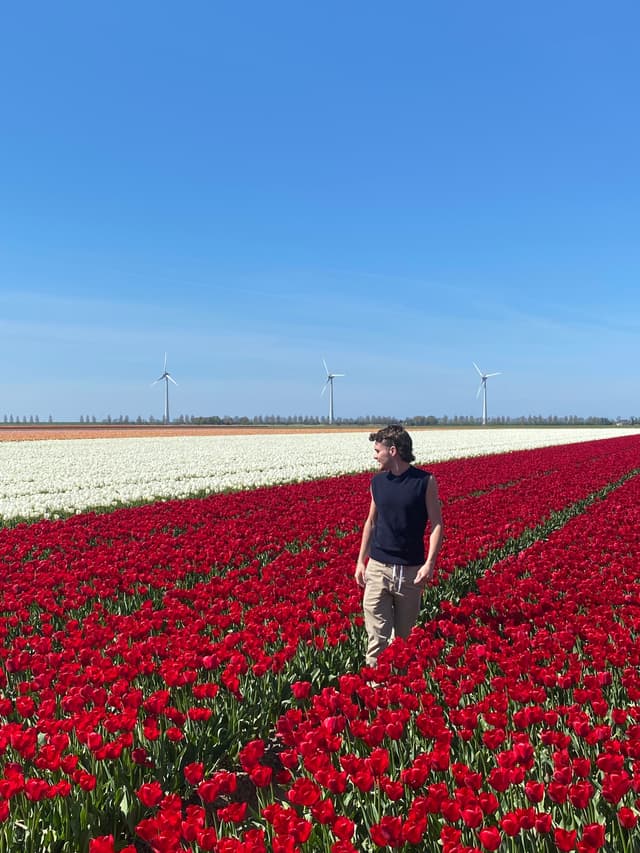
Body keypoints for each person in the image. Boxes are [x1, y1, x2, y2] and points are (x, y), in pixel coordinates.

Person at [355, 424, 443, 668]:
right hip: (378, 568)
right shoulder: (377, 482)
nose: (374, 455)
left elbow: (436, 524)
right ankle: (375, 690)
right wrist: (361, 561)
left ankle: (398, 689)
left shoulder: (424, 481)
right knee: (377, 637)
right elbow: (371, 522)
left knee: (403, 640)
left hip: (409, 573)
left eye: (377, 450)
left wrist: (430, 563)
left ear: (392, 450)